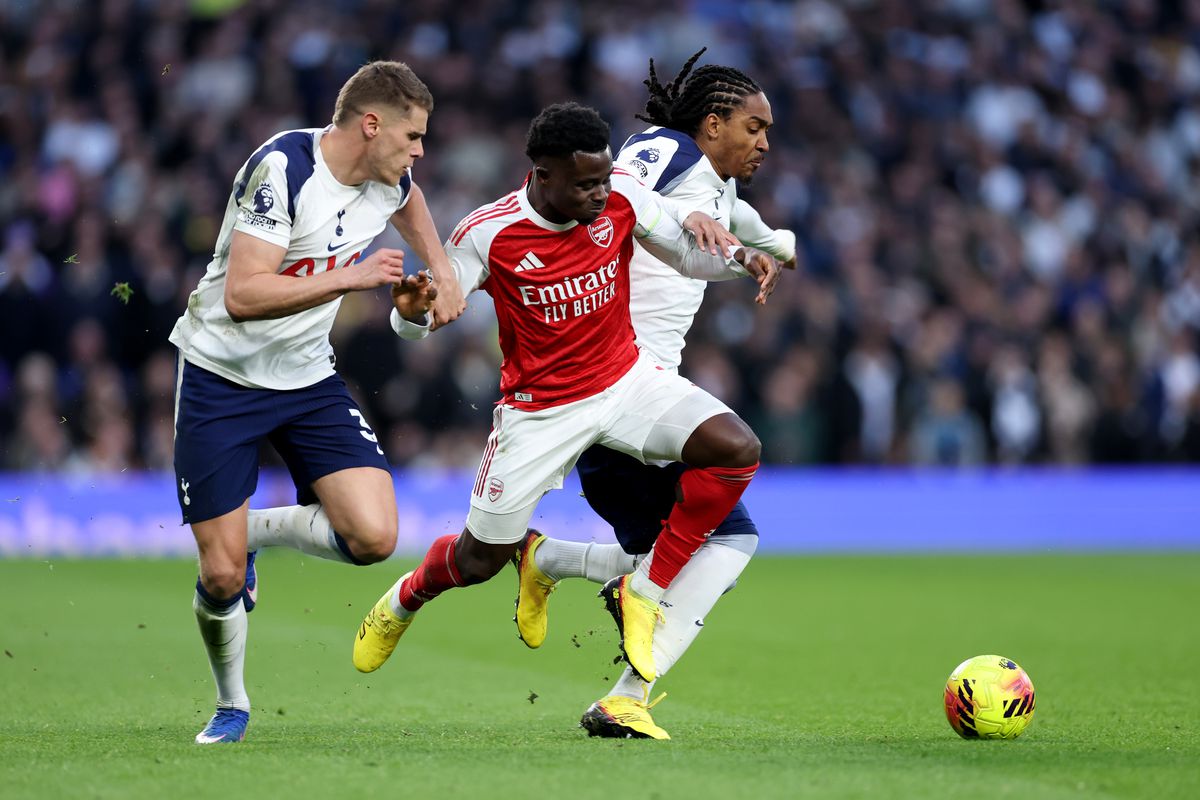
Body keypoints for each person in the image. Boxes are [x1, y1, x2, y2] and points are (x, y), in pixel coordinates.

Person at [352, 102, 782, 706]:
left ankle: (644, 590)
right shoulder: (488, 233)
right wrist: (409, 315)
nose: (600, 194)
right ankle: (407, 597)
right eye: (585, 184)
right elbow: (428, 315)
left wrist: (741, 259)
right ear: (542, 174)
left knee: (736, 448)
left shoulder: (620, 196)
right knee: (478, 561)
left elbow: (683, 252)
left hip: (627, 382)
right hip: (541, 411)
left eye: (604, 178)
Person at [170, 61, 461, 744]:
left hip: (305, 378)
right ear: (371, 125)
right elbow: (243, 295)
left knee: (374, 538)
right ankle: (232, 703)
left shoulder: (387, 177)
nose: (420, 151)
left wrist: (441, 270)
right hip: (221, 376)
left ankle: (253, 535)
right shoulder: (284, 169)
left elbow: (410, 199)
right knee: (219, 575)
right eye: (413, 136)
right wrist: (350, 277)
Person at [511, 50, 796, 740]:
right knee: (727, 543)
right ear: (712, 123)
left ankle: (548, 560)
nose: (765, 142)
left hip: (640, 395)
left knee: (690, 553)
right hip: (618, 390)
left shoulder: (720, 193)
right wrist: (692, 218)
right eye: (754, 127)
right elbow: (616, 188)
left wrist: (775, 247)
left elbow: (755, 228)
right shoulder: (669, 151)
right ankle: (625, 695)